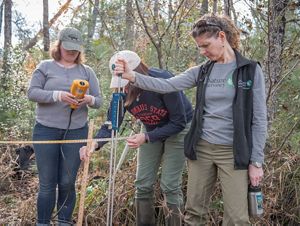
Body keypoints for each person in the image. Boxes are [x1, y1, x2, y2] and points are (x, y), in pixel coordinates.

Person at [113, 14, 268, 226]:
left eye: (206, 45)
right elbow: (168, 85)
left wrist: (256, 162)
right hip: (201, 148)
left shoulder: (249, 71)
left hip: (233, 152)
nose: (203, 51)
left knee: (237, 218)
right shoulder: (203, 71)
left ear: (221, 37)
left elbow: (259, 119)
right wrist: (133, 77)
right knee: (194, 214)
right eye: (199, 47)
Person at [80, 50, 193, 225]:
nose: (124, 88)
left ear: (136, 73)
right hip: (149, 128)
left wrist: (146, 137)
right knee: (142, 184)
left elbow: (179, 121)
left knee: (169, 185)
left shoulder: (162, 79)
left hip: (179, 129)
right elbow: (112, 122)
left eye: (126, 82)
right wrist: (94, 144)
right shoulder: (121, 91)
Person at [27, 27, 102, 225]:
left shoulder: (87, 72)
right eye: (67, 48)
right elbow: (32, 93)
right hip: (46, 130)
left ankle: (64, 222)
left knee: (68, 182)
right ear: (58, 45)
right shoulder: (45, 67)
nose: (71, 52)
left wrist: (87, 99)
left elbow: (99, 101)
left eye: (75, 49)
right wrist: (58, 95)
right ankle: (42, 222)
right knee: (47, 184)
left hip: (76, 131)